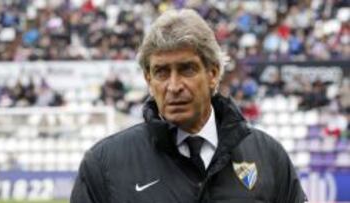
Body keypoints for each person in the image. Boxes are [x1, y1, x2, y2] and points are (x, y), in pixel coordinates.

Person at [70, 9, 307, 203]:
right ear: (148, 79)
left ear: (213, 73)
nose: (174, 86)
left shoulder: (268, 156)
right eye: (161, 72)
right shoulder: (104, 165)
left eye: (187, 69)